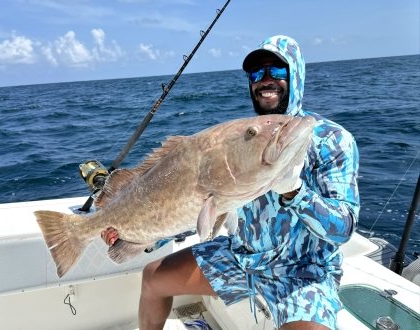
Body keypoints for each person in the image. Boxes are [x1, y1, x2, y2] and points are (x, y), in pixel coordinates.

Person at [102, 35, 360, 330]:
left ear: (296, 74)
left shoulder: (332, 140)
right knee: (153, 277)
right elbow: (193, 201)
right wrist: (139, 237)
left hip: (302, 273)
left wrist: (295, 191)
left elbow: (343, 228)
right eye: (257, 73)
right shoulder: (240, 138)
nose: (266, 80)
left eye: (277, 71)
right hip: (243, 258)